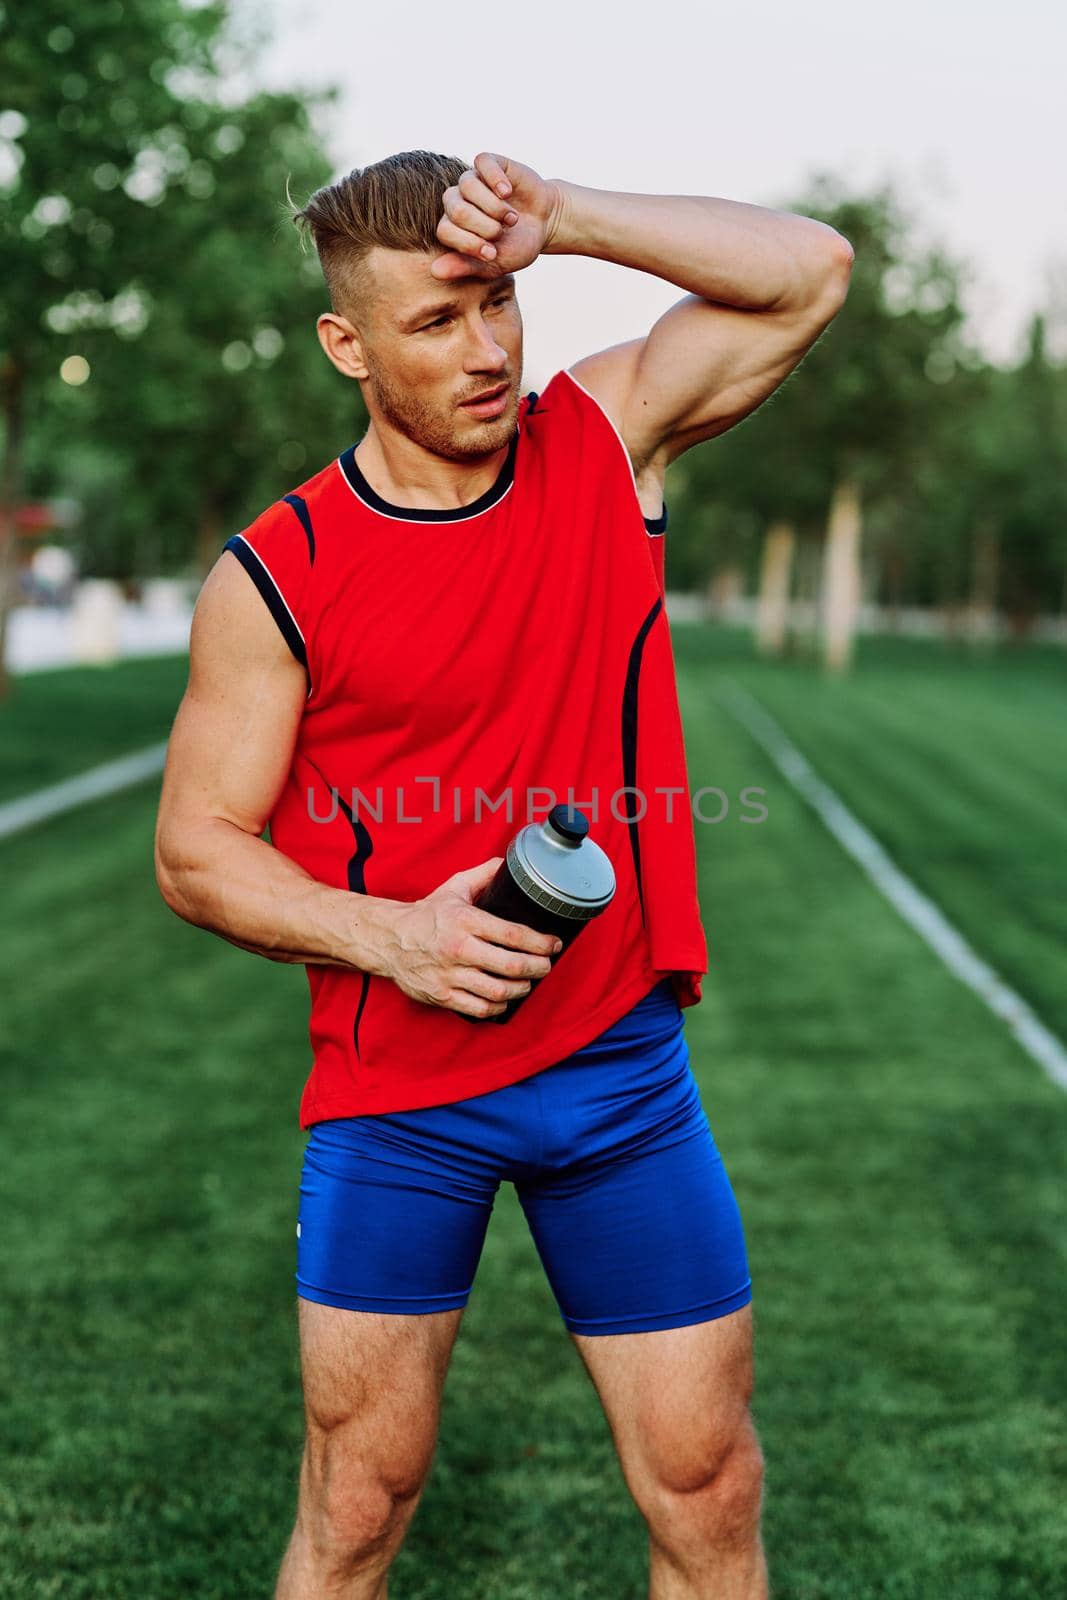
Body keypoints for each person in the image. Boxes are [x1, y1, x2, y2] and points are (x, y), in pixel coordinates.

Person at [154, 148, 853, 1599]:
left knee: (710, 1486)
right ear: (346, 345)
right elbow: (195, 851)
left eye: (501, 303)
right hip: (397, 1095)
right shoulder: (277, 572)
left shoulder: (601, 439)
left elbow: (812, 273)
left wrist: (578, 218)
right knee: (357, 1509)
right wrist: (390, 939)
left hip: (621, 1077)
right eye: (436, 321)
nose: (486, 351)